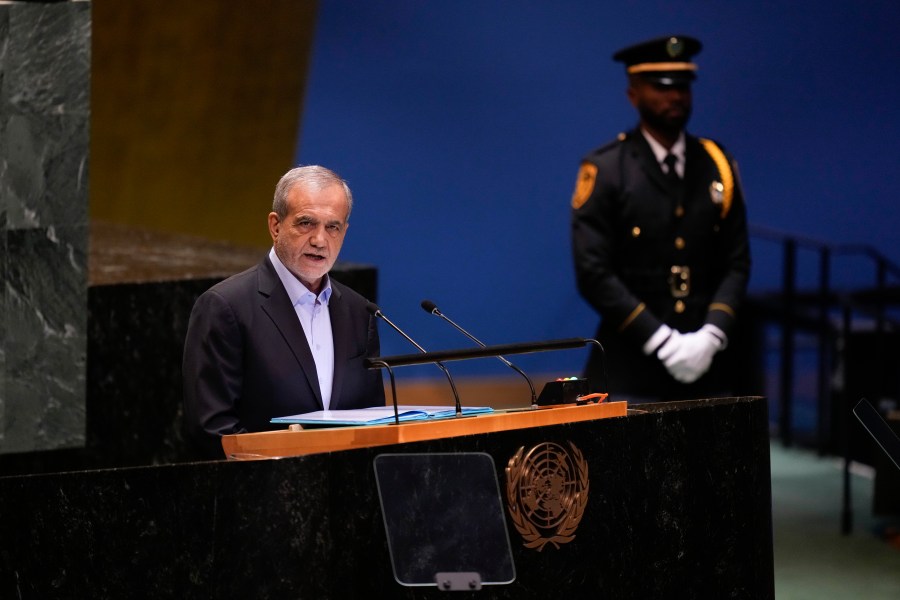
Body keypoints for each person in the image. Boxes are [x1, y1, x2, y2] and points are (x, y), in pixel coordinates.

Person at [570, 35, 751, 401]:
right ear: (633, 94)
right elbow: (593, 271)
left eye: (683, 87)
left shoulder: (718, 164)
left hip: (710, 361)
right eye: (661, 87)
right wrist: (661, 340)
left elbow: (737, 260)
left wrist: (712, 334)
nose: (675, 96)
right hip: (631, 363)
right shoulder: (606, 168)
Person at [183, 165, 385, 458]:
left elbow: (373, 420)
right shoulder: (225, 306)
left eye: (333, 227)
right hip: (261, 495)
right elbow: (212, 429)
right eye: (306, 223)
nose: (319, 240)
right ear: (275, 226)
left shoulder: (358, 310)